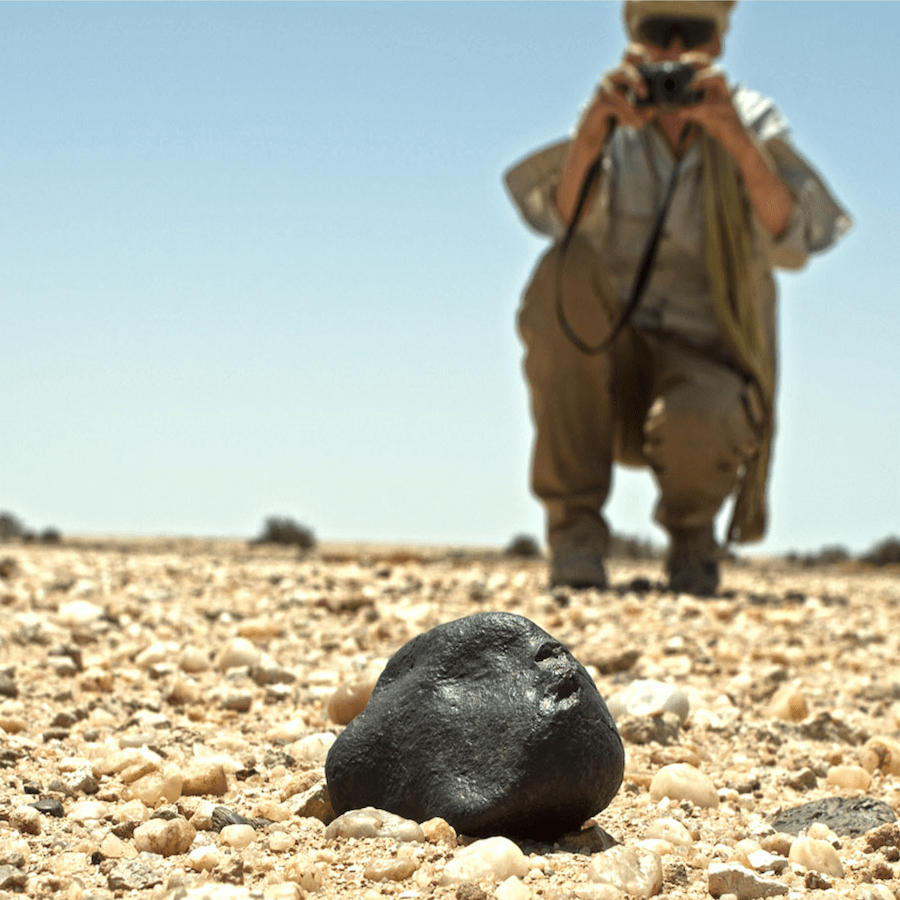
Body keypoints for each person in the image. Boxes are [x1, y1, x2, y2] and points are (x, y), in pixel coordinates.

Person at [504, 1, 851, 594]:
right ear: (633, 41)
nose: (673, 48)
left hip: (704, 374)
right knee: (560, 269)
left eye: (691, 32)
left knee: (706, 410)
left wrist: (737, 143)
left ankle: (694, 541)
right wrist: (589, 138)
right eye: (656, 32)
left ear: (716, 44)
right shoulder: (617, 118)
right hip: (610, 374)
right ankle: (576, 535)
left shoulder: (751, 119)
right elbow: (561, 218)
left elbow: (796, 233)